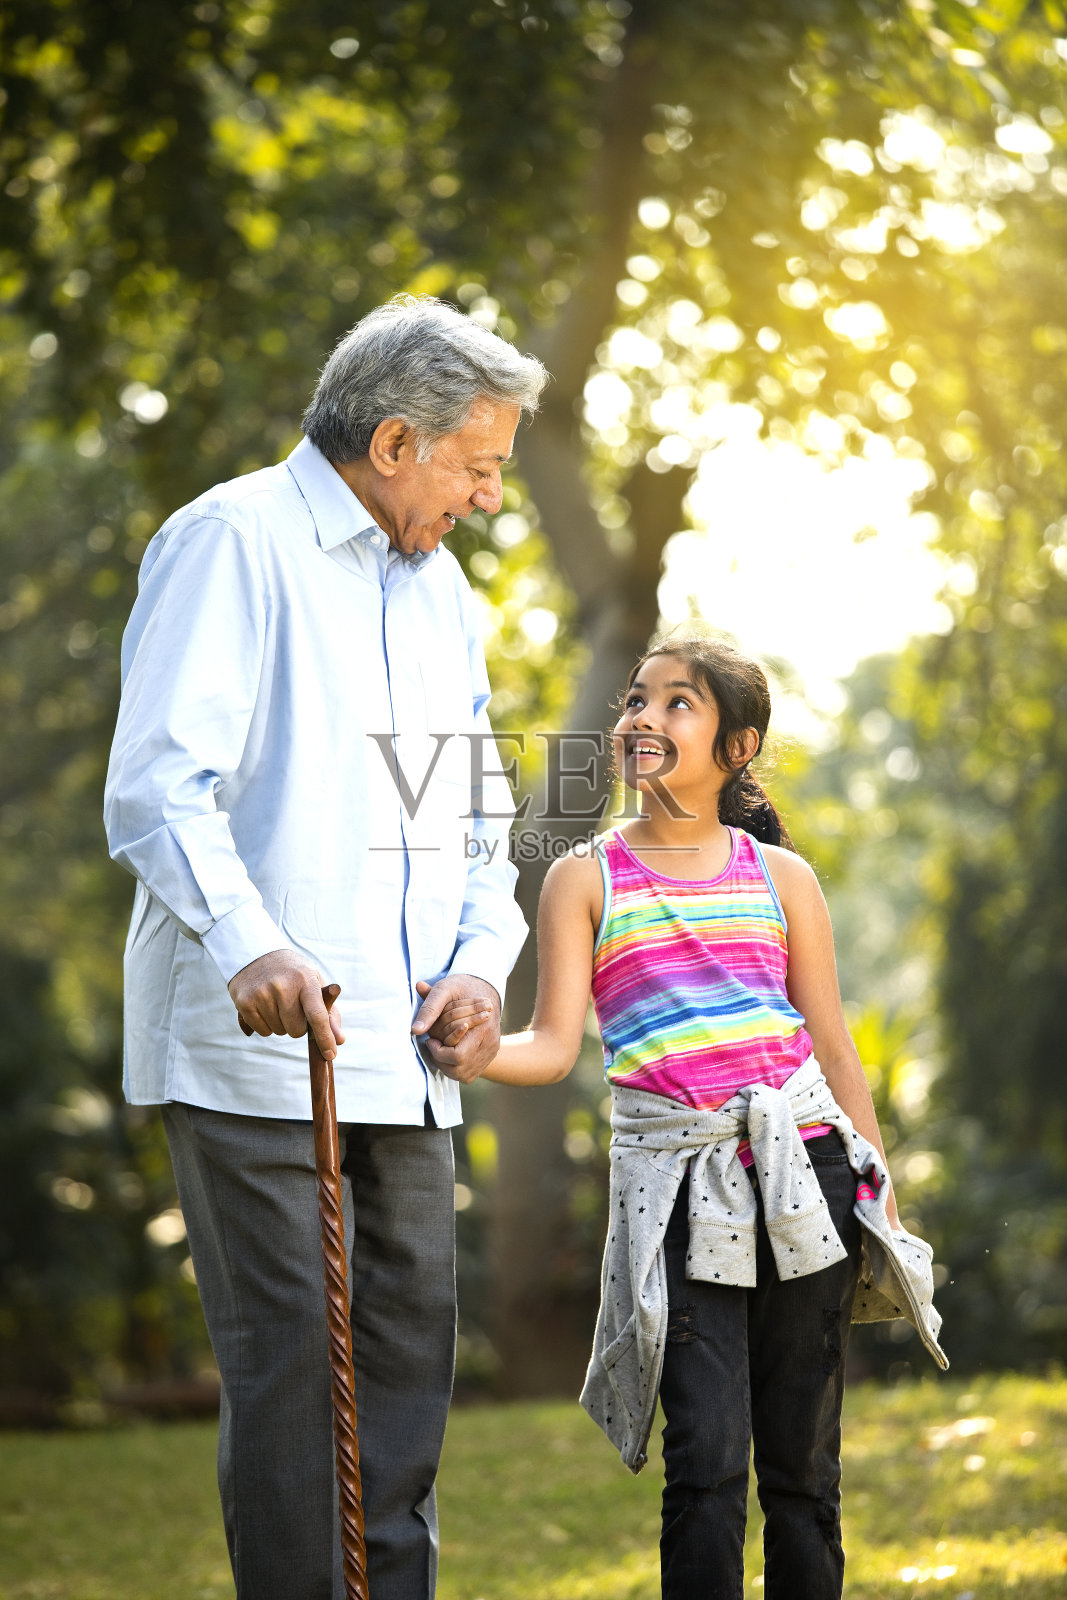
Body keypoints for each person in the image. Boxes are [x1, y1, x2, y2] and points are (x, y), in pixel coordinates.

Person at [104, 295, 547, 1600]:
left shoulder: (442, 593)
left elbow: (472, 816)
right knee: (297, 1379)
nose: (484, 499)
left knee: (403, 1373)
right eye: (478, 466)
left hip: (404, 1063)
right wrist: (247, 940)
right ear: (396, 440)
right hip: (264, 1060)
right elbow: (158, 786)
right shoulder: (230, 541)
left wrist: (478, 966)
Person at [438, 636, 947, 1600]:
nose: (643, 718)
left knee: (802, 1471)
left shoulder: (781, 878)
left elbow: (833, 1050)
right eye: (638, 700)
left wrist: (875, 1189)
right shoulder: (583, 878)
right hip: (674, 1192)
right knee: (706, 1461)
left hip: (806, 1172)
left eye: (678, 704)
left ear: (737, 745)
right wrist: (479, 1053)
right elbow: (550, 1044)